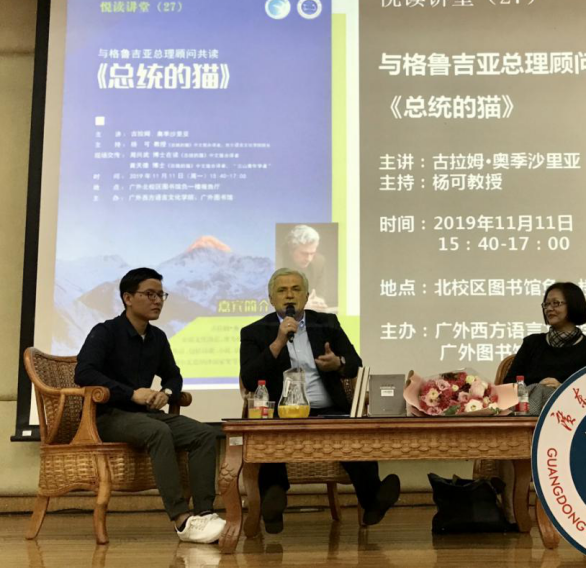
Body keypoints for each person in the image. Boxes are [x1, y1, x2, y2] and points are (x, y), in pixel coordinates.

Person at [239, 268, 400, 534]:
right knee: (269, 437)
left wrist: (338, 363)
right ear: (271, 298)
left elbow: (354, 363)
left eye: (296, 289)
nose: (289, 295)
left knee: (354, 436)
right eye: (282, 290)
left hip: (329, 410)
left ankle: (373, 500)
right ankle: (273, 501)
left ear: (306, 296)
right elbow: (249, 376)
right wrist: (278, 342)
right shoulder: (254, 331)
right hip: (281, 413)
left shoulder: (326, 323)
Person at [75, 268, 225, 544]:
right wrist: (132, 394)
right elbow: (84, 373)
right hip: (108, 417)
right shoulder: (106, 332)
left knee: (204, 434)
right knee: (158, 432)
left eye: (161, 295)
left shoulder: (157, 337)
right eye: (149, 294)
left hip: (145, 416)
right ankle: (181, 519)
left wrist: (166, 393)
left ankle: (204, 513)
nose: (157, 301)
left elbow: (173, 375)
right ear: (128, 298)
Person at [503, 282, 586, 387]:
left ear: (573, 304)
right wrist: (532, 391)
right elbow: (510, 382)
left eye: (556, 303)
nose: (549, 309)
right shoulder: (531, 343)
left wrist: (562, 388)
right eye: (546, 304)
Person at [280, 224, 329, 310]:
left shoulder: (319, 261)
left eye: (312, 253)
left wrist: (318, 301)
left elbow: (320, 293)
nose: (309, 259)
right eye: (304, 253)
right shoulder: (276, 260)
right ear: (291, 250)